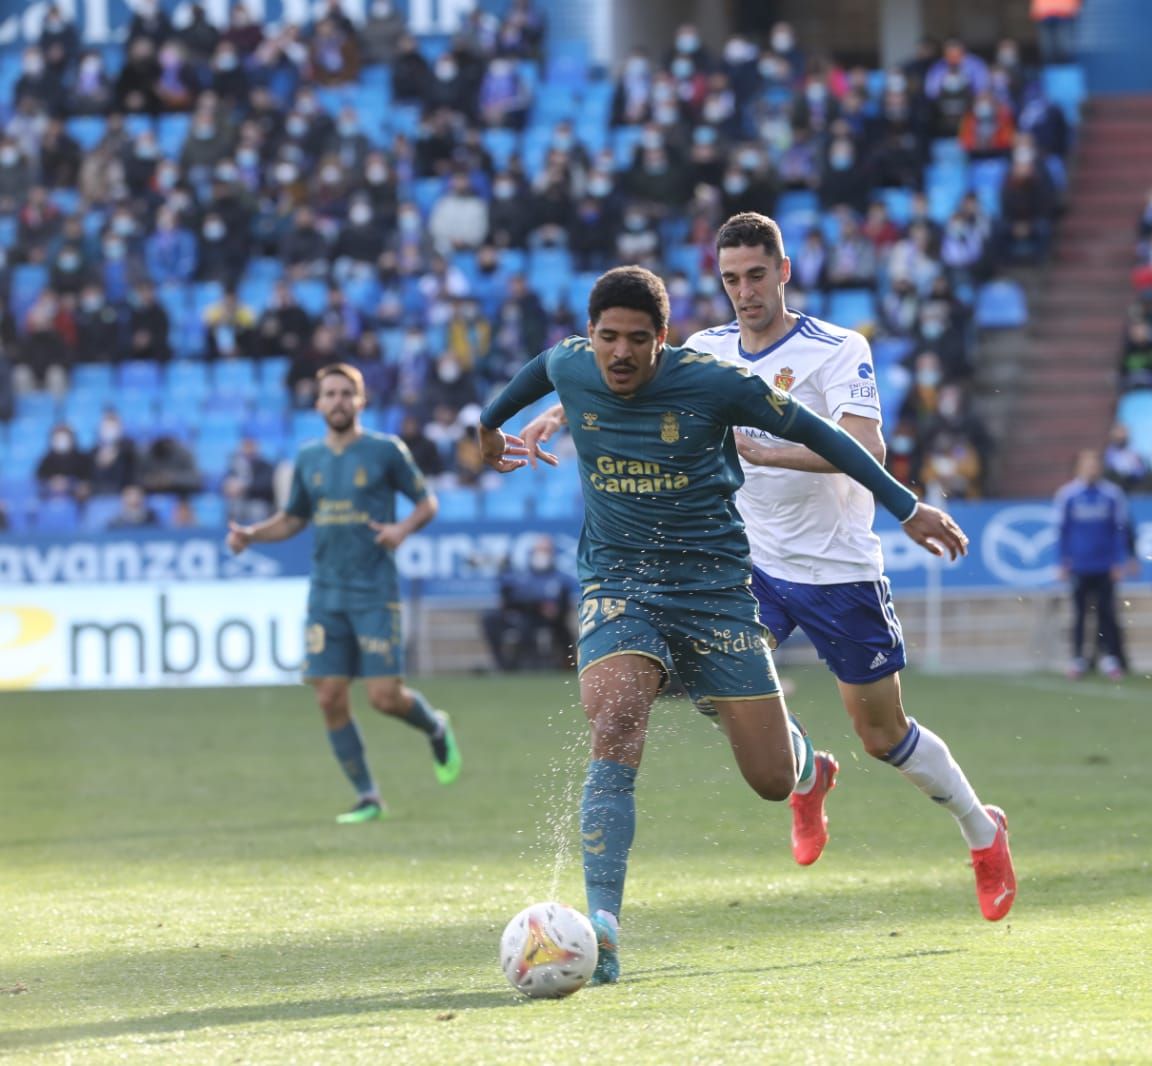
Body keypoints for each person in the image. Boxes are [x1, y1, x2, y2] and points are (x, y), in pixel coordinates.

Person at [475, 266, 978, 985]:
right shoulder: (569, 364)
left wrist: (907, 507)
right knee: (616, 717)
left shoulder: (714, 383)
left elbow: (827, 438)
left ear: (663, 339)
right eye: (607, 338)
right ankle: (606, 929)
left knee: (771, 779)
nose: (619, 354)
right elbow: (521, 385)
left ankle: (810, 772)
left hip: (715, 592)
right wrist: (487, 430)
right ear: (590, 336)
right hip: (619, 584)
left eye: (637, 341)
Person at [225, 364, 461, 824]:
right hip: (326, 594)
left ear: (360, 400)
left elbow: (427, 502)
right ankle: (368, 798)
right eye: (328, 393)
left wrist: (401, 529)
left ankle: (435, 726)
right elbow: (293, 518)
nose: (336, 400)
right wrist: (251, 534)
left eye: (344, 393)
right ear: (317, 404)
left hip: (374, 590)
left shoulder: (384, 451)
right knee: (329, 697)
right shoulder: (308, 458)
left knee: (384, 698)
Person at [1054, 449, 1132, 680]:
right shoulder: (1067, 495)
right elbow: (1062, 531)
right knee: (1079, 614)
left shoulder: (1112, 495)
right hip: (1079, 565)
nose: (1091, 469)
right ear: (1079, 468)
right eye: (1087, 464)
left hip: (1105, 565)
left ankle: (1109, 658)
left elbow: (1119, 530)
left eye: (1095, 464)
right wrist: (1061, 562)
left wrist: (1119, 561)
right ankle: (1077, 658)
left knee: (1106, 613)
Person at [480, 535, 576, 671]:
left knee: (538, 627)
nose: (541, 555)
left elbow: (561, 606)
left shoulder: (560, 579)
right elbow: (510, 594)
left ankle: (554, 664)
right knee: (490, 618)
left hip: (545, 620)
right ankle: (502, 665)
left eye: (545, 551)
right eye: (538, 550)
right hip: (522, 614)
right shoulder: (522, 576)